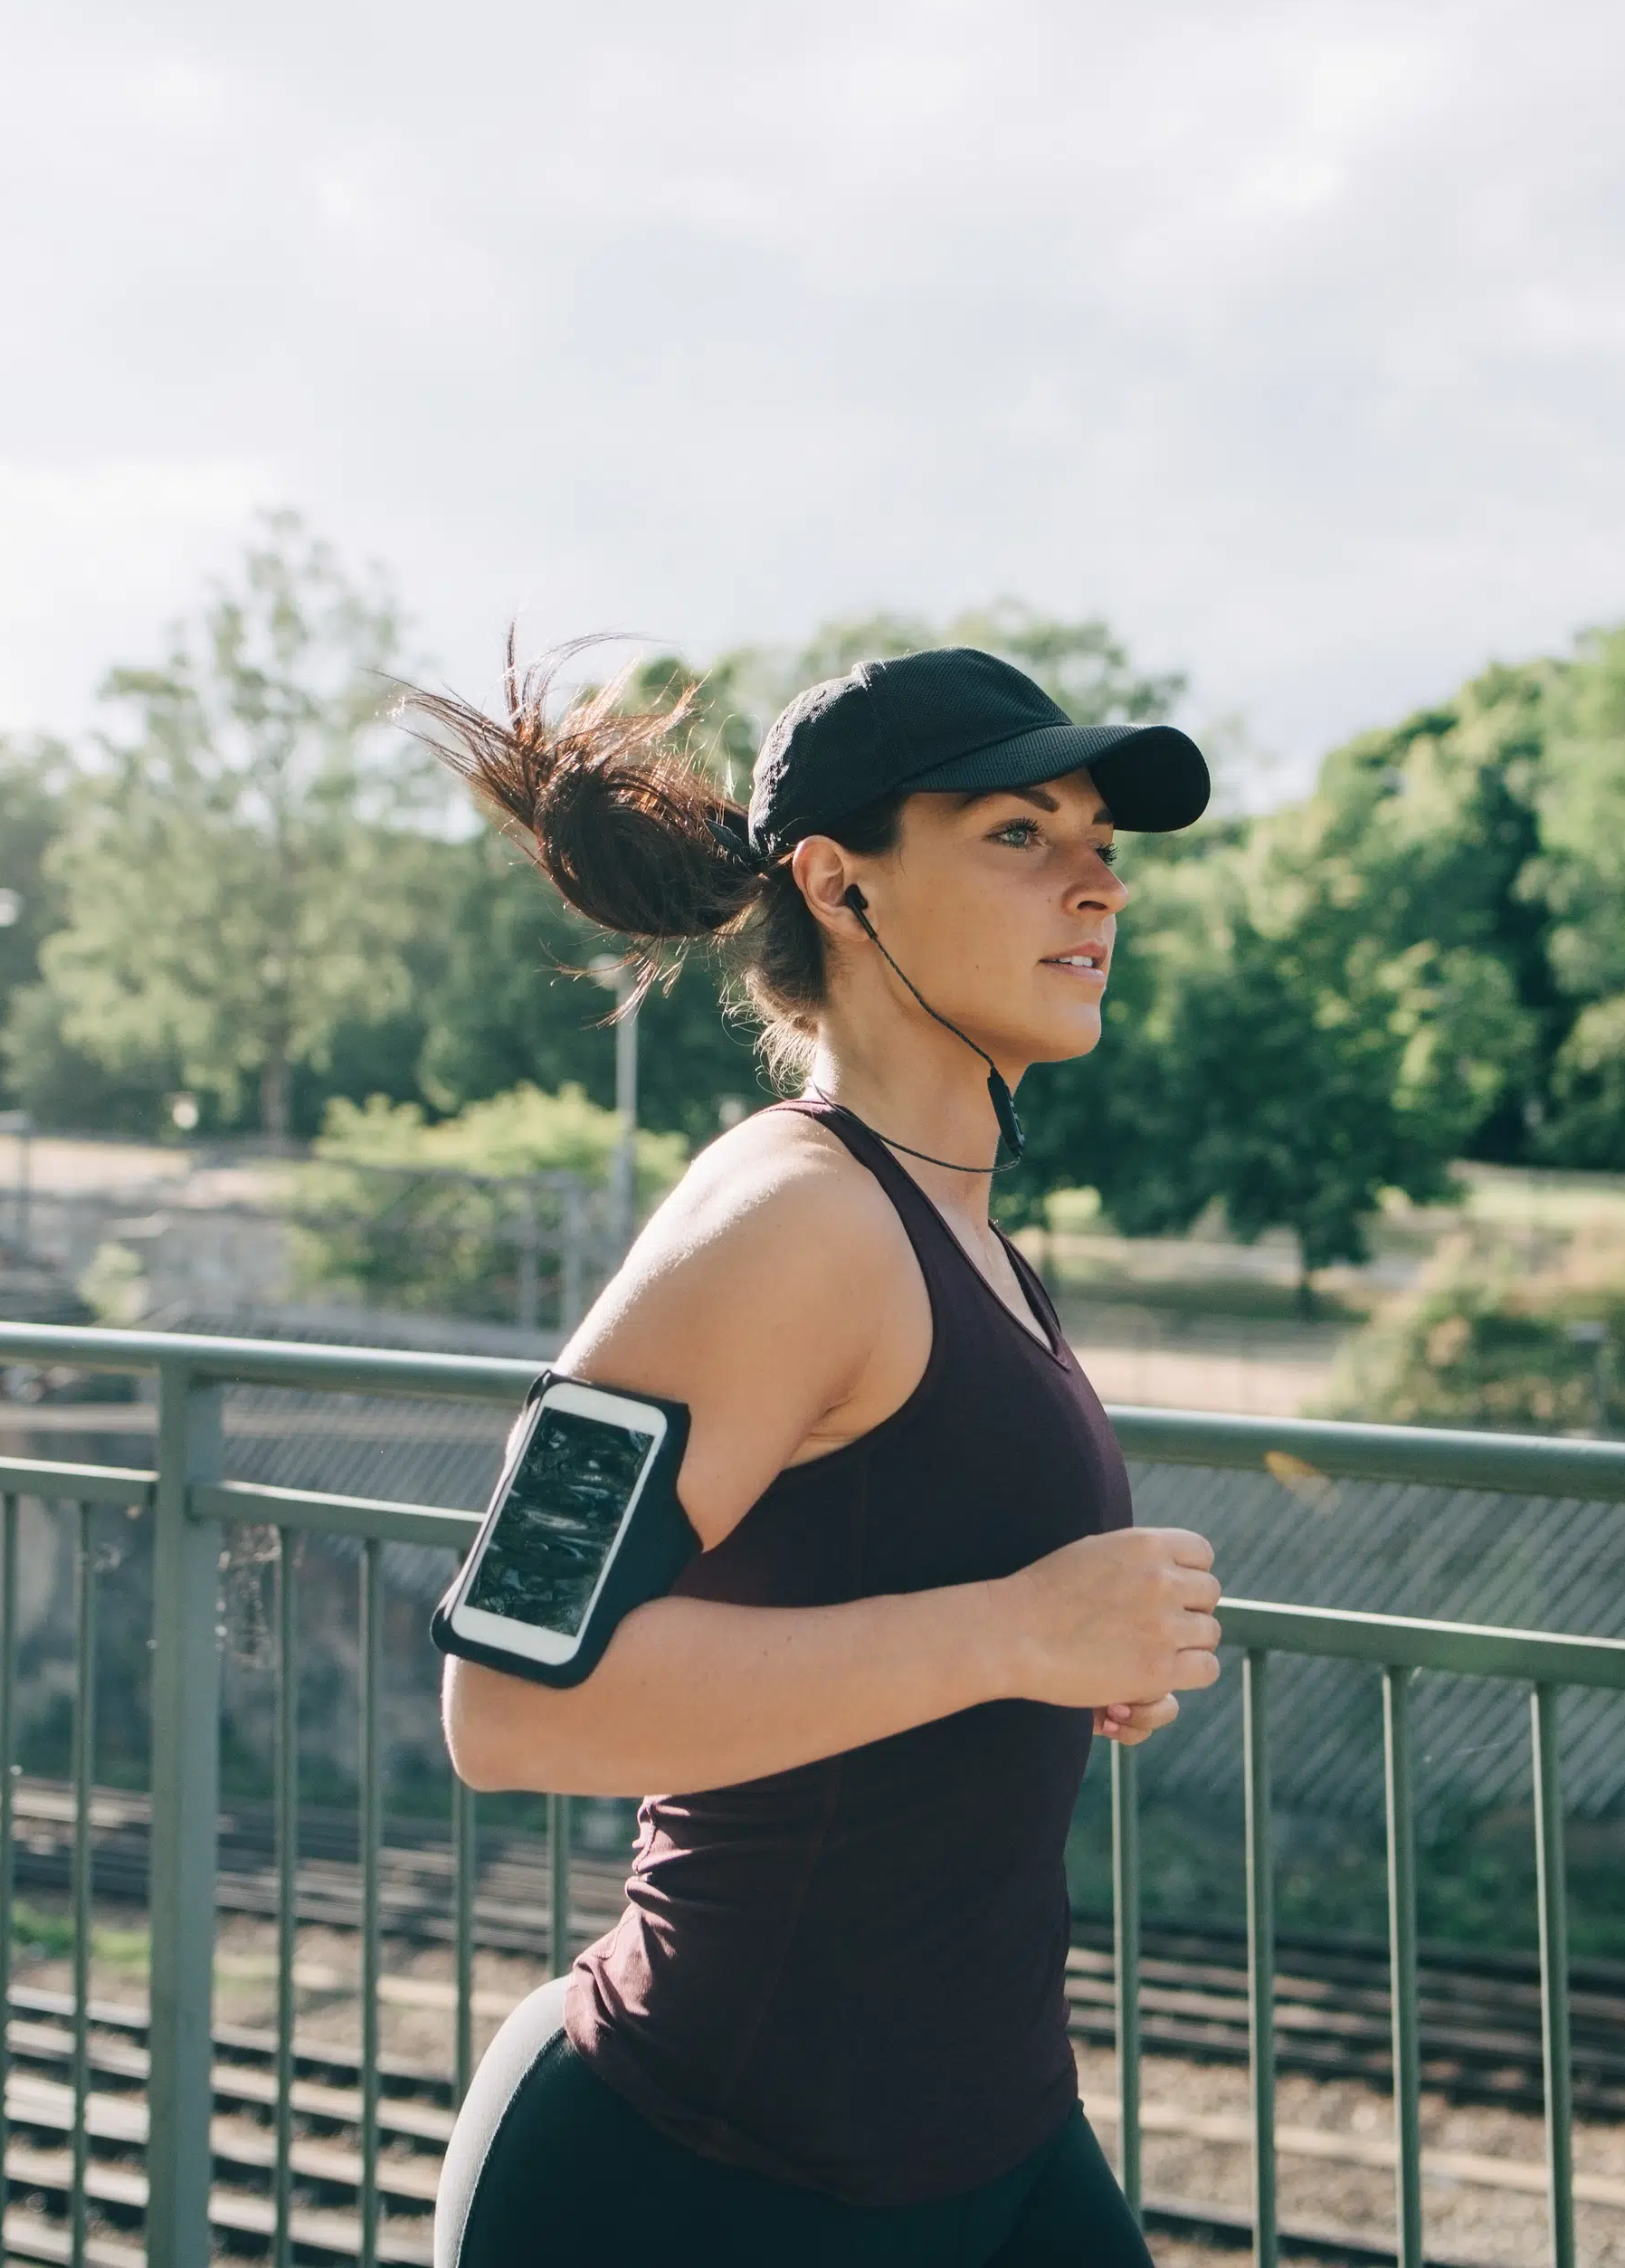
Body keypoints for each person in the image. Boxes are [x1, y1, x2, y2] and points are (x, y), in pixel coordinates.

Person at [404, 644, 1227, 2268]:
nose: (1096, 888)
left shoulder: (956, 1224)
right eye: (1021, 834)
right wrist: (1007, 1634)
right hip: (701, 2180)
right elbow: (504, 1701)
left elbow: (878, 1564)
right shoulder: (787, 1216)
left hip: (982, 2142)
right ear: (840, 885)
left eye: (1104, 849)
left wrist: (1056, 1653)